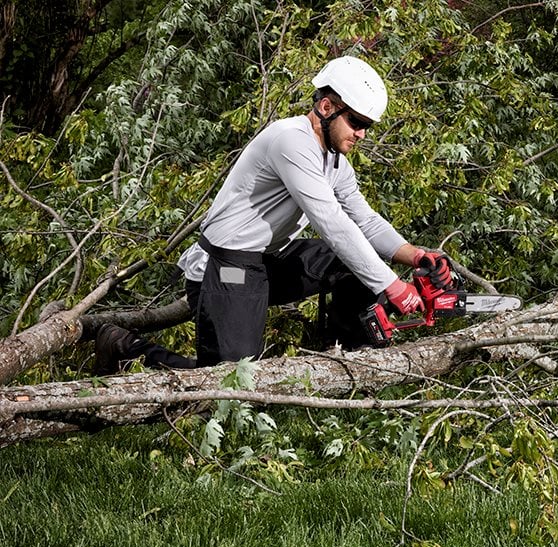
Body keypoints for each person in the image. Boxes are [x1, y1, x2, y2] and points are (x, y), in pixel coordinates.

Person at [94, 56, 453, 375]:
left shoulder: (334, 161)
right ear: (327, 107)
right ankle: (126, 346)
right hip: (225, 268)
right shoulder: (291, 141)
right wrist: (391, 286)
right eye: (357, 122)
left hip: (266, 260)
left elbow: (364, 220)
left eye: (367, 126)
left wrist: (415, 254)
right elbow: (332, 224)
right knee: (232, 381)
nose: (361, 133)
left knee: (355, 261)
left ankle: (348, 359)